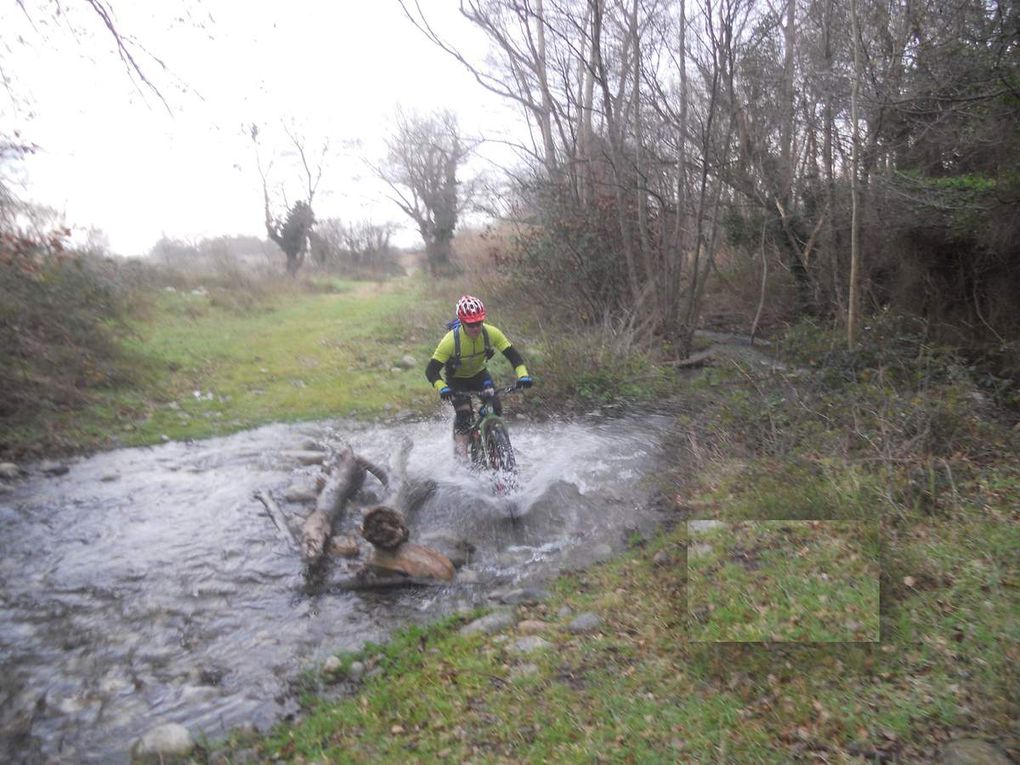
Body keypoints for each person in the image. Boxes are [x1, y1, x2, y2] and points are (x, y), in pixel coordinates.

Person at [425, 295, 533, 458]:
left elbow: (514, 357)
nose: (476, 327)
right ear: (462, 322)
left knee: (495, 407)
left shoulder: (491, 333)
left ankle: (497, 443)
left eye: (479, 322)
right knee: (464, 415)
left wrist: (523, 375)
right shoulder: (450, 341)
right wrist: (443, 388)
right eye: (471, 324)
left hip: (479, 375)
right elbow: (431, 371)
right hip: (457, 380)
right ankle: (461, 457)